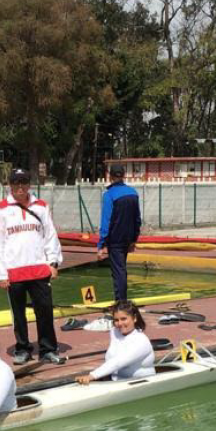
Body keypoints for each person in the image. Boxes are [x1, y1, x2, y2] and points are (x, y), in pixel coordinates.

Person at [0, 169, 65, 365]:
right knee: (18, 314)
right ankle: (22, 348)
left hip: (39, 270)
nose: (20, 186)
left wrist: (53, 263)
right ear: (10, 185)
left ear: (29, 184)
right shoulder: (1, 209)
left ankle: (48, 349)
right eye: (16, 182)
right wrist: (1, 274)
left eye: (23, 182)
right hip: (14, 272)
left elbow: (50, 236)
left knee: (45, 311)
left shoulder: (41, 207)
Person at [75, 301, 155, 384]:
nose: (119, 323)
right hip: (117, 382)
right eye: (116, 320)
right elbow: (111, 360)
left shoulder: (141, 341)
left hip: (142, 384)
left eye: (124, 319)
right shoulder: (114, 332)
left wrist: (92, 376)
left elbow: (118, 362)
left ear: (134, 318)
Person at [97, 164, 142, 301]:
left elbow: (106, 221)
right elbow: (137, 219)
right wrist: (134, 239)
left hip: (115, 239)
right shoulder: (133, 193)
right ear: (123, 175)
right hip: (128, 238)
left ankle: (121, 303)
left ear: (110, 177)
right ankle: (122, 300)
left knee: (118, 272)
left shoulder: (109, 195)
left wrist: (101, 245)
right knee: (122, 269)